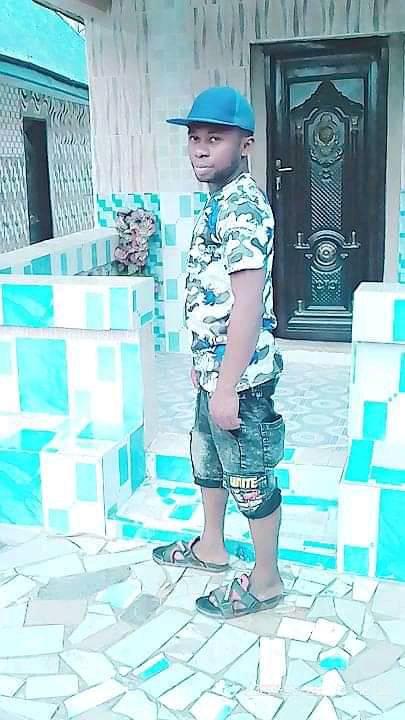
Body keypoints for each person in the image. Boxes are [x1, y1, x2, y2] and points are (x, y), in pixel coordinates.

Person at [153, 86, 285, 619]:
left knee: (250, 477)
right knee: (208, 462)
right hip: (216, 369)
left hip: (242, 380)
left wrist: (228, 384)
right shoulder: (219, 200)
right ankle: (211, 547)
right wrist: (205, 364)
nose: (201, 149)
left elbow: (248, 303)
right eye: (194, 138)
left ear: (245, 144)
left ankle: (266, 581)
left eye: (215, 138)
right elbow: (214, 295)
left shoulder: (243, 206)